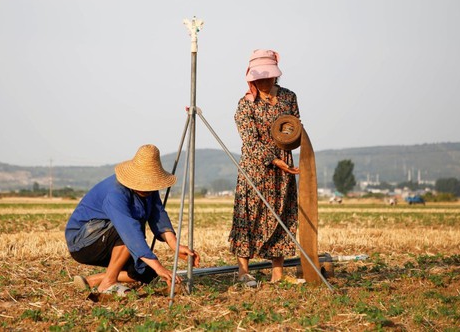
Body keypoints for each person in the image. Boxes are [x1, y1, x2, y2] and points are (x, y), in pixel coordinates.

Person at [65, 144, 200, 295]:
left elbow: (158, 214)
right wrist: (159, 266)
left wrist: (175, 246)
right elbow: (129, 231)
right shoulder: (115, 193)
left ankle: (93, 281)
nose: (147, 188)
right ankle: (108, 284)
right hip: (84, 242)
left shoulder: (150, 189)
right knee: (127, 234)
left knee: (147, 273)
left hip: (116, 237)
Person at [230, 49, 301, 287]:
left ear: (275, 76)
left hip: (282, 168)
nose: (262, 82)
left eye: (267, 77)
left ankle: (277, 272)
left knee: (281, 214)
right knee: (248, 216)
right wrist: (274, 159)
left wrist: (290, 142)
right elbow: (250, 141)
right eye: (258, 78)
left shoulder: (288, 98)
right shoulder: (245, 105)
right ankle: (243, 271)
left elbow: (295, 127)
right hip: (255, 167)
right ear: (251, 78)